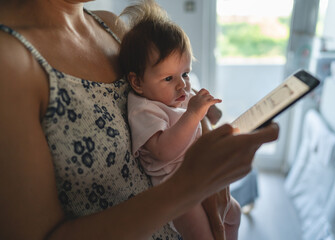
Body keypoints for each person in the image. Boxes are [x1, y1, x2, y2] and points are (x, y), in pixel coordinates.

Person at [0, 0, 279, 239]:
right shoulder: (10, 60)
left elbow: (172, 88)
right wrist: (192, 184)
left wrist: (205, 133)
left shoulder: (110, 26)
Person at [119, 1, 240, 239]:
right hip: (176, 188)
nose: (182, 84)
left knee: (233, 215)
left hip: (200, 173)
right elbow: (164, 151)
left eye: (185, 73)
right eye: (168, 78)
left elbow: (204, 114)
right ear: (137, 82)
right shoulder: (143, 109)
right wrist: (194, 114)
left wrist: (210, 111)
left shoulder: (179, 95)